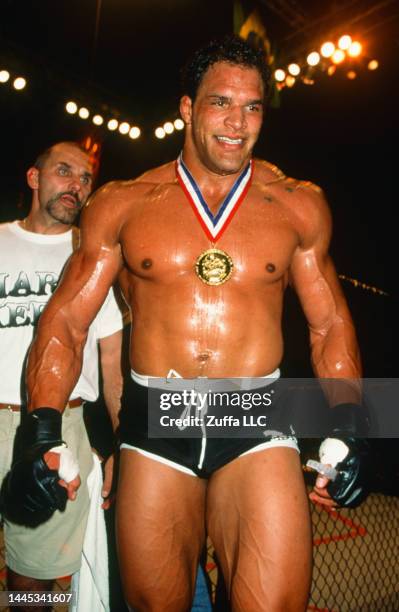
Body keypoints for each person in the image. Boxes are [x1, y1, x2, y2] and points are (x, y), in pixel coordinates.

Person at [16, 36, 368, 611]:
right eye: (220, 103)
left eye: (253, 106)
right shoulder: (123, 202)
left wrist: (352, 425)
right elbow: (68, 320)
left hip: (257, 416)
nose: (238, 122)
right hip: (158, 424)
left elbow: (329, 323)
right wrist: (40, 430)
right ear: (186, 107)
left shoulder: (298, 203)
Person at [0, 141, 124, 605]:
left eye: (86, 178)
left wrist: (119, 446)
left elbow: (113, 366)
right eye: (64, 171)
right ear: (34, 178)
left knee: (33, 581)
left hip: (60, 428)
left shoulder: (96, 259)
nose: (76, 184)